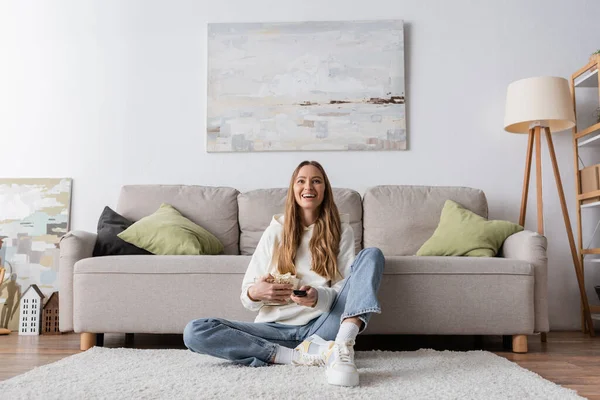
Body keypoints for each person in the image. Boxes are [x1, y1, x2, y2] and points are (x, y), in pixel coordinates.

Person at [184, 160, 385, 387]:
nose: (308, 186)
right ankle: (294, 356)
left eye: (316, 181)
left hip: (321, 327)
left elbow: (346, 290)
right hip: (272, 331)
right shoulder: (274, 232)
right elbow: (246, 297)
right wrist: (256, 293)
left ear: (325, 190)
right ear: (293, 189)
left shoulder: (342, 232)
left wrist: (318, 297)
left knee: (372, 255)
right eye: (301, 181)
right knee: (195, 331)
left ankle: (342, 345)